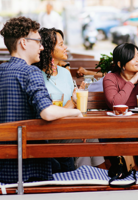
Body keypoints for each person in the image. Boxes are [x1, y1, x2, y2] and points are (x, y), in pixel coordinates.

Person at [0, 17, 82, 183]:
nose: (42, 47)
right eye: (38, 42)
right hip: (28, 170)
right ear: (23, 43)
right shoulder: (31, 72)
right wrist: (76, 111)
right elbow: (48, 112)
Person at [34, 28, 105, 171]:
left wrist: (77, 98)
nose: (65, 47)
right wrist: (71, 103)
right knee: (83, 138)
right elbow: (49, 112)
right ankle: (88, 179)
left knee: (90, 134)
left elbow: (74, 103)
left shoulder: (65, 73)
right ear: (49, 49)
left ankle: (98, 177)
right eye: (61, 44)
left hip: (70, 126)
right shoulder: (36, 76)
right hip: (49, 131)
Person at [103, 43, 138, 110]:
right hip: (119, 119)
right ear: (120, 64)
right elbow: (115, 105)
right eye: (133, 57)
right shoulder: (110, 78)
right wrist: (132, 81)